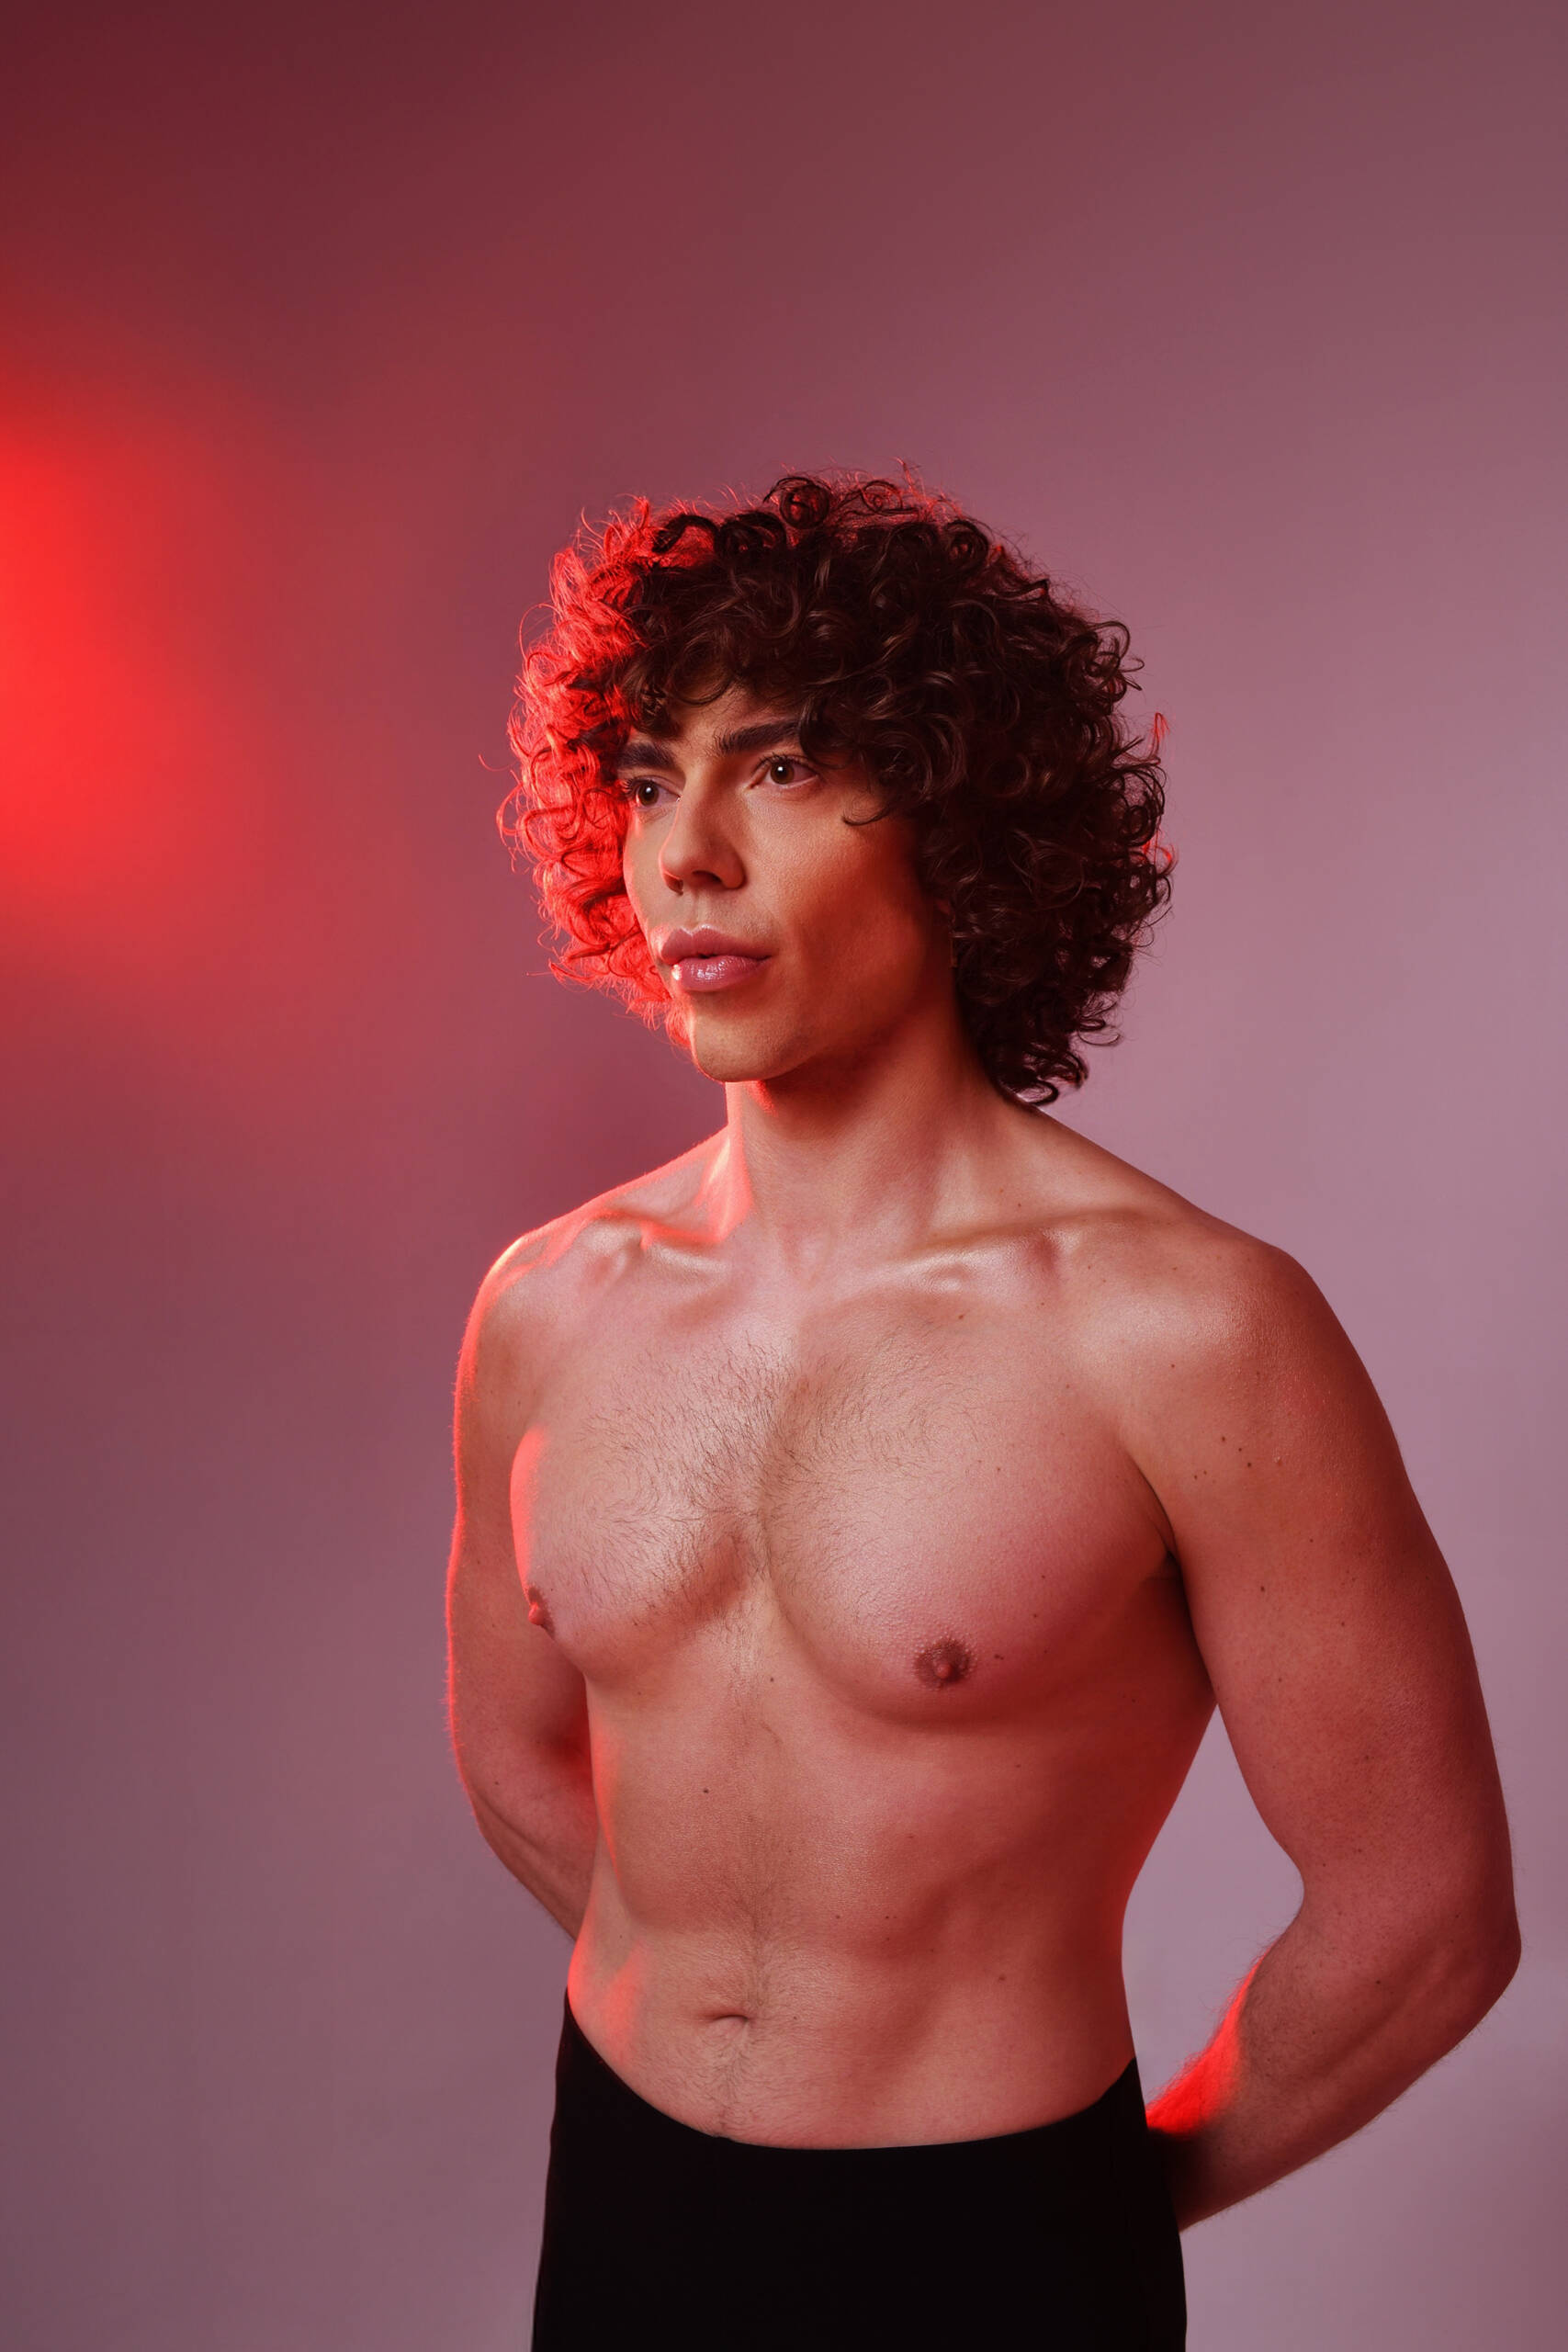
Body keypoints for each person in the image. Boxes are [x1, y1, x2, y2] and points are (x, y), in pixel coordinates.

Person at [446, 474, 1518, 2348]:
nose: (686, 851)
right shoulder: (547, 1306)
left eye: (778, 769)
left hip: (995, 2251)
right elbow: (515, 1756)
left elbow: (1423, 1917)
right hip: (620, 2206)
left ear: (958, 820)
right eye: (647, 779)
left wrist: (1080, 2212)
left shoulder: (1184, 1332)